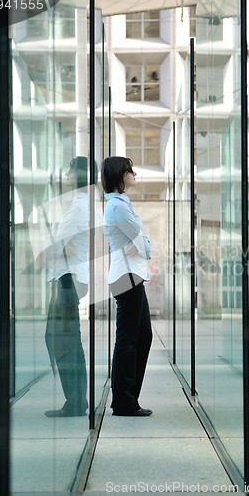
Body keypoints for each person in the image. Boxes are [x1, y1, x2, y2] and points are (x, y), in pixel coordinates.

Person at [101, 156, 153, 417]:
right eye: (129, 170)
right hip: (127, 275)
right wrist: (143, 242)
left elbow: (141, 242)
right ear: (119, 175)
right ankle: (123, 402)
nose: (134, 173)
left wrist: (142, 242)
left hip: (130, 274)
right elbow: (141, 242)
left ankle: (127, 398)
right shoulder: (119, 207)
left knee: (142, 337)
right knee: (128, 341)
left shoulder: (121, 204)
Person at [38, 156, 89, 418]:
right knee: (67, 340)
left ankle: (76, 402)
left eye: (70, 172)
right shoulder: (79, 205)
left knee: (61, 340)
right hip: (68, 279)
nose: (66, 176)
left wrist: (53, 244)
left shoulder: (79, 207)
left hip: (67, 280)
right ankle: (78, 400)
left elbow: (52, 248)